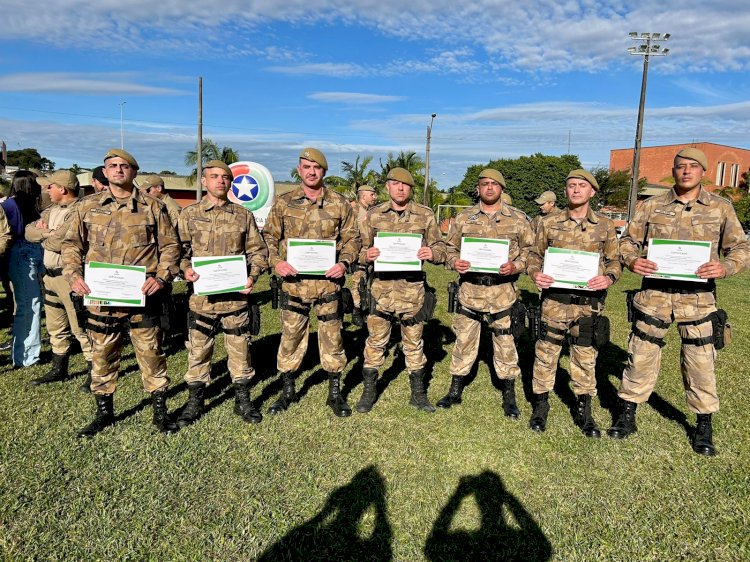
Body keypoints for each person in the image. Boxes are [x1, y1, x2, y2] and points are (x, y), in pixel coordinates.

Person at [608, 148, 749, 456]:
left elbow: (740, 247)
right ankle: (627, 413)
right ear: (673, 171)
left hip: (698, 300)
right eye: (681, 166)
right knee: (640, 355)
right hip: (655, 297)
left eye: (693, 167)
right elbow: (627, 242)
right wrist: (632, 260)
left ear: (703, 172)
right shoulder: (652, 205)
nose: (686, 171)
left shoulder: (721, 208)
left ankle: (703, 424)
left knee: (700, 364)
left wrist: (725, 267)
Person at [63, 149, 181, 437]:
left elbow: (171, 247)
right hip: (101, 298)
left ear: (134, 172)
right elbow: (71, 245)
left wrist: (162, 278)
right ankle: (104, 412)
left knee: (151, 354)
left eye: (124, 166)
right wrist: (74, 275)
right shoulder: (87, 206)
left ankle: (160, 413)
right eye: (112, 166)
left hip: (143, 297)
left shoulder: (153, 207)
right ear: (105, 171)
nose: (117, 170)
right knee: (102, 355)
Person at [263, 148, 360, 417]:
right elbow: (269, 237)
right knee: (291, 338)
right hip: (294, 285)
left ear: (324, 171)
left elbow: (353, 239)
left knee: (333, 339)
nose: (311, 171)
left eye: (316, 167)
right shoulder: (284, 202)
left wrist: (344, 263)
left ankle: (335, 393)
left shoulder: (340, 203)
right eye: (306, 166)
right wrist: (276, 262)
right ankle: (287, 391)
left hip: (329, 286)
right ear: (299, 169)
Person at [526, 169, 620, 437]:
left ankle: (584, 410)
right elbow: (534, 256)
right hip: (554, 301)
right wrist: (535, 273)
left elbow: (614, 262)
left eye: (582, 186)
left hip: (588, 304)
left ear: (592, 191)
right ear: (565, 191)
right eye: (571, 186)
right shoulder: (549, 223)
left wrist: (609, 278)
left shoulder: (605, 225)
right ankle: (540, 407)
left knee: (585, 357)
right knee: (545, 355)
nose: (576, 190)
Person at [176, 160, 268, 426]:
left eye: (225, 177)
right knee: (198, 350)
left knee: (240, 350)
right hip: (201, 299)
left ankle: (243, 399)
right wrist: (185, 270)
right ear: (203, 181)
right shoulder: (189, 214)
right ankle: (195, 400)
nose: (221, 181)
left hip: (235, 299)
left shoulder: (243, 215)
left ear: (231, 183)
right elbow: (178, 251)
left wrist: (253, 275)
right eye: (214, 176)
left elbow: (258, 251)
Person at [438, 169, 534, 418]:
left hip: (502, 292)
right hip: (470, 290)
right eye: (484, 184)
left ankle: (509, 394)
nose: (489, 188)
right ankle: (455, 389)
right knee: (464, 341)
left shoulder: (518, 219)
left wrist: (517, 266)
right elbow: (449, 248)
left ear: (502, 188)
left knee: (505, 343)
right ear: (478, 189)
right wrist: (454, 261)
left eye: (494, 184)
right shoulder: (464, 218)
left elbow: (531, 252)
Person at [355, 167, 446, 414]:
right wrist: (367, 254)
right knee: (375, 341)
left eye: (405, 185)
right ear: (387, 187)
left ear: (411, 189)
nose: (400, 188)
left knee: (414, 342)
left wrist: (433, 253)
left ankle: (418, 394)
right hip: (380, 291)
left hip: (412, 292)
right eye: (395, 184)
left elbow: (441, 247)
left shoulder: (425, 215)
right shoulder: (373, 216)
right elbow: (357, 250)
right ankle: (369, 392)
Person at [25, 170, 93, 385]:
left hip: (69, 277)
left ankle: (94, 371)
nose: (47, 190)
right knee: (56, 326)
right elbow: (28, 232)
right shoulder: (51, 210)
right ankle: (59, 368)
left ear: (62, 189)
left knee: (80, 327)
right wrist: (48, 233)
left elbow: (61, 242)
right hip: (50, 276)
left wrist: (46, 236)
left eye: (50, 186)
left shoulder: (79, 211)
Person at [2, 171, 43, 367]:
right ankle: (26, 356)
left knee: (30, 305)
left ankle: (25, 352)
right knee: (29, 305)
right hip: (22, 255)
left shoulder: (28, 206)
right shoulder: (9, 206)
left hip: (28, 254)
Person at [350, 184, 377, 326]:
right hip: (358, 254)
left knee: (369, 284)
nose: (375, 197)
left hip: (372, 254)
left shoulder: (372, 211)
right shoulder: (352, 210)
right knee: (357, 284)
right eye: (372, 194)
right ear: (363, 196)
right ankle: (356, 311)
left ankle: (367, 310)